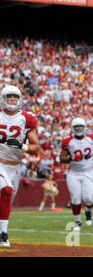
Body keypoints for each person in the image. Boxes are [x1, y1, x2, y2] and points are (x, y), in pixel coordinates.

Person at [0, 85, 40, 248]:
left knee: (6, 200)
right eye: (8, 97)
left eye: (14, 97)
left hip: (14, 166)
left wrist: (21, 146)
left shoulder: (26, 118)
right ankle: (3, 236)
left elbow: (36, 148)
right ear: (3, 99)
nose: (11, 100)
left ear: (20, 100)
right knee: (6, 190)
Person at [59, 117, 93, 230]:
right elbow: (61, 158)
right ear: (72, 129)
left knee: (88, 198)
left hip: (88, 172)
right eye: (76, 127)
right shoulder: (67, 141)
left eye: (80, 127)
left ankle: (88, 210)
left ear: (85, 128)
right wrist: (71, 158)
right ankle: (77, 221)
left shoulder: (91, 139)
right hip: (74, 173)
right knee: (75, 198)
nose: (78, 129)